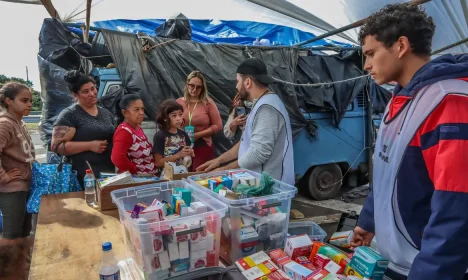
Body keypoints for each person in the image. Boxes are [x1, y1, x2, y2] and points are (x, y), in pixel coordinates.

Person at [350, 4, 468, 280]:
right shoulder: (399, 100)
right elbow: (386, 170)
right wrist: (369, 220)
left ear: (401, 45)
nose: (366, 65)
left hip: (432, 266)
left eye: (371, 54)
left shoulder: (449, 102)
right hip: (401, 261)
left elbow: (458, 209)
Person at [197, 58, 294, 185]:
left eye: (238, 81)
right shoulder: (261, 104)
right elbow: (246, 143)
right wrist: (219, 160)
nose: (236, 86)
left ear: (247, 82)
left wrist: (222, 170)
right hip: (260, 186)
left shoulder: (267, 108)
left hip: (271, 189)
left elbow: (258, 154)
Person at [52, 71, 115, 185]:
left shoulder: (106, 113)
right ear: (75, 95)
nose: (92, 93)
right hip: (83, 176)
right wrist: (90, 145)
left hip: (107, 174)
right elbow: (56, 146)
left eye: (93, 88)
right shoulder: (69, 115)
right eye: (85, 91)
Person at [0, 82, 35, 280]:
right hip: (11, 189)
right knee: (11, 237)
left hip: (24, 186)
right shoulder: (5, 123)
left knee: (23, 233)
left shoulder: (18, 122)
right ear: (8, 101)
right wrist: (3, 176)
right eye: (24, 100)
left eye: (30, 100)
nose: (29, 104)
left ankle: (20, 272)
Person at [176, 71, 222, 171]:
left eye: (198, 87)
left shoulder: (207, 102)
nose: (195, 89)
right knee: (182, 175)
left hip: (202, 145)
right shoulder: (179, 102)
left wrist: (198, 135)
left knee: (200, 175)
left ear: (203, 88)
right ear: (187, 84)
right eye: (192, 85)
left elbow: (218, 125)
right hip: (182, 145)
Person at [111, 94, 156, 175]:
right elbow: (117, 158)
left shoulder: (138, 128)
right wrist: (134, 171)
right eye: (136, 110)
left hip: (148, 179)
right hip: (137, 181)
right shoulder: (124, 132)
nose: (141, 113)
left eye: (142, 109)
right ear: (124, 112)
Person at [153, 99, 194, 172]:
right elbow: (158, 163)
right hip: (166, 178)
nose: (178, 119)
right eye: (174, 116)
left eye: (180, 114)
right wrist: (178, 155)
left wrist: (190, 153)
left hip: (183, 175)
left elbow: (190, 153)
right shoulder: (160, 136)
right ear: (165, 118)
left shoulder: (183, 134)